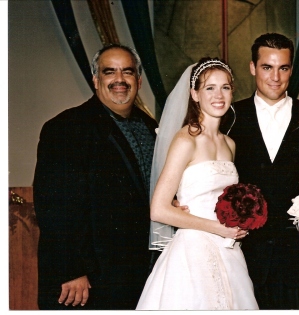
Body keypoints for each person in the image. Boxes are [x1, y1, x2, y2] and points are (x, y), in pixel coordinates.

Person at [33, 44, 160, 310]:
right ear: (95, 80)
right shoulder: (67, 127)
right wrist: (71, 269)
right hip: (88, 279)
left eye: (127, 72)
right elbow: (54, 207)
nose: (119, 80)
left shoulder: (151, 127)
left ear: (138, 80)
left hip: (140, 273)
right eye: (109, 72)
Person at [136, 57, 258, 310]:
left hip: (228, 249)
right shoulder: (185, 140)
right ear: (194, 94)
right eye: (209, 88)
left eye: (225, 87)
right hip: (192, 252)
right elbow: (159, 209)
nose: (219, 95)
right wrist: (217, 228)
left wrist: (240, 221)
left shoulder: (229, 144)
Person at [222, 33, 299, 309]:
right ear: (253, 68)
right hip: (242, 253)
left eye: (284, 67)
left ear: (292, 69)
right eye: (267, 67)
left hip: (298, 256)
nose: (276, 77)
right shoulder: (228, 116)